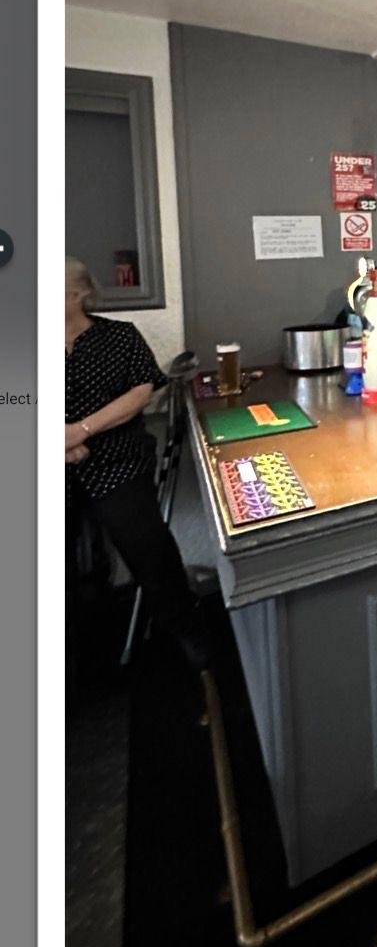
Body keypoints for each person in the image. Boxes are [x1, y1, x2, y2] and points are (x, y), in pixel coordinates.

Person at [65, 257, 212, 672]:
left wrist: (81, 430)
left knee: (147, 545)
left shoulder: (119, 337)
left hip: (116, 459)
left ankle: (186, 628)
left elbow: (140, 391)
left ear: (79, 295)